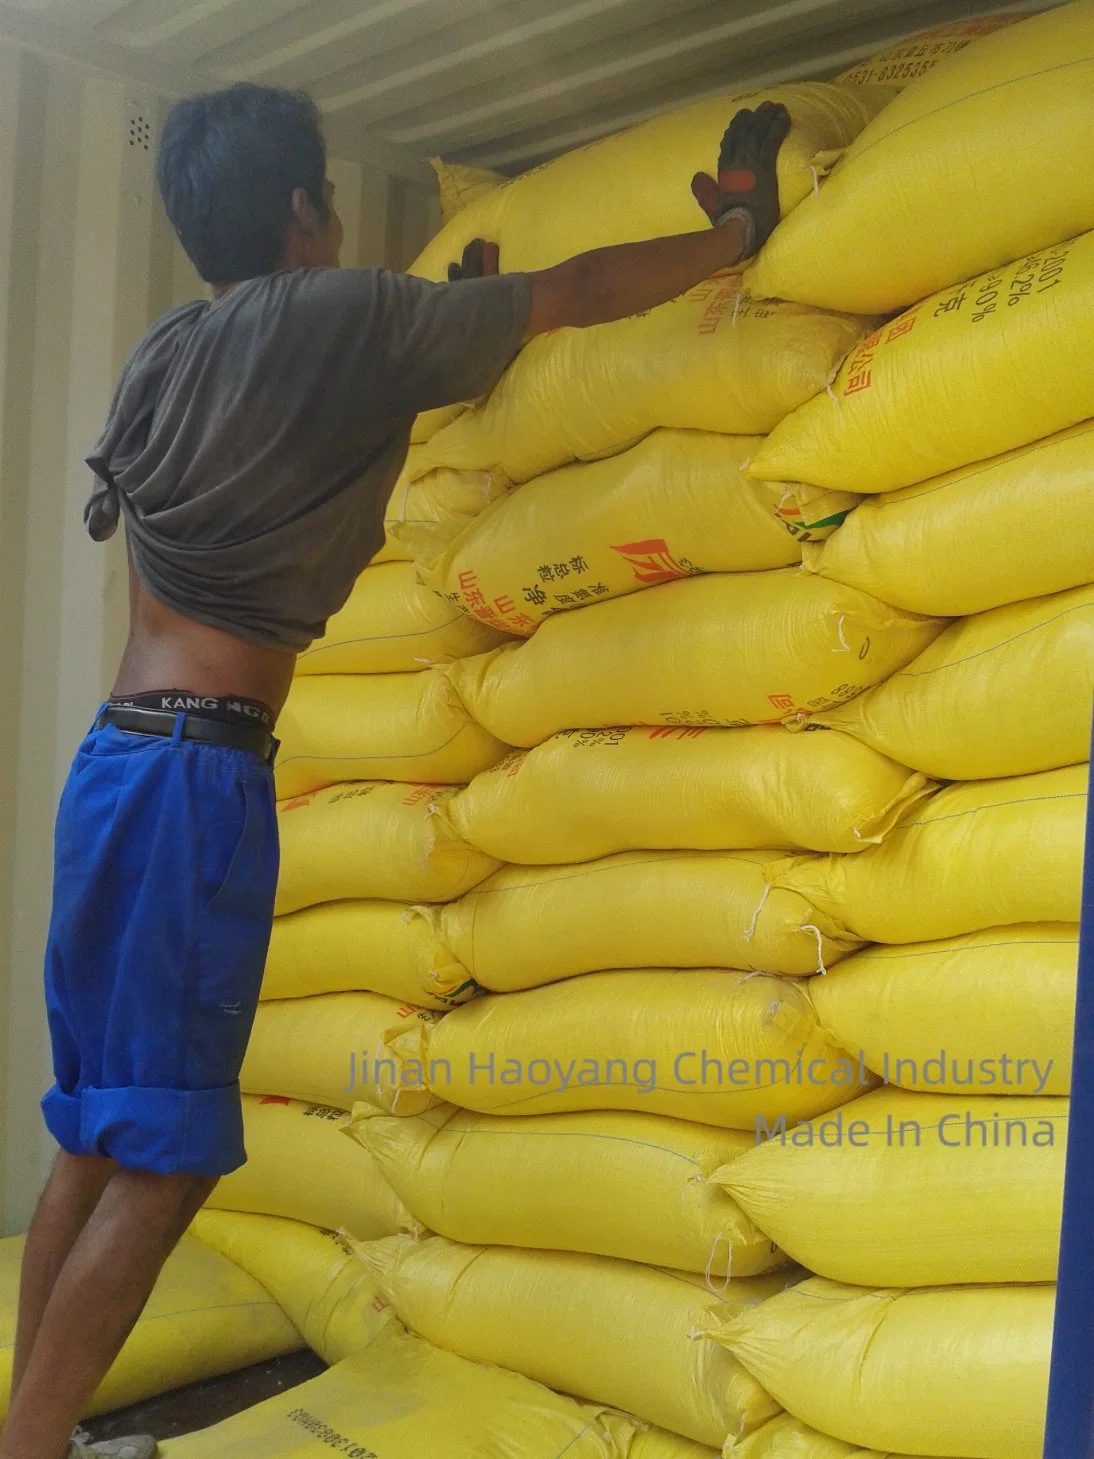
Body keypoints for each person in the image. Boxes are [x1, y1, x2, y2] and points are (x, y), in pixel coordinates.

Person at [0, 83, 791, 1459]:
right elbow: (581, 285)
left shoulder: (166, 355)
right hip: (197, 787)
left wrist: (447, 317)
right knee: (171, 1150)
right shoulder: (343, 315)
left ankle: (30, 1429)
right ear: (310, 206)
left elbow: (344, 410)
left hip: (112, 770)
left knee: (95, 1133)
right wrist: (730, 234)